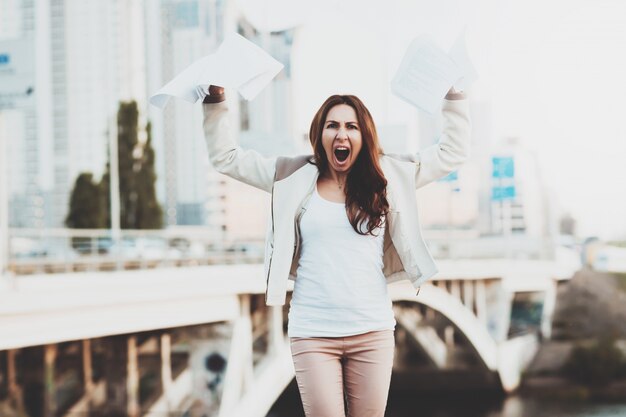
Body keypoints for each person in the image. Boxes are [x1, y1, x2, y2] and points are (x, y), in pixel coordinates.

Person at [202, 84, 470, 417]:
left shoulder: (388, 176)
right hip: (313, 334)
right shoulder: (291, 175)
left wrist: (453, 96)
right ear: (320, 133)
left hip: (372, 331)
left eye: (351, 126)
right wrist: (216, 101)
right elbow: (227, 159)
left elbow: (451, 153)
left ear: (364, 136)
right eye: (333, 125)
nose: (341, 133)